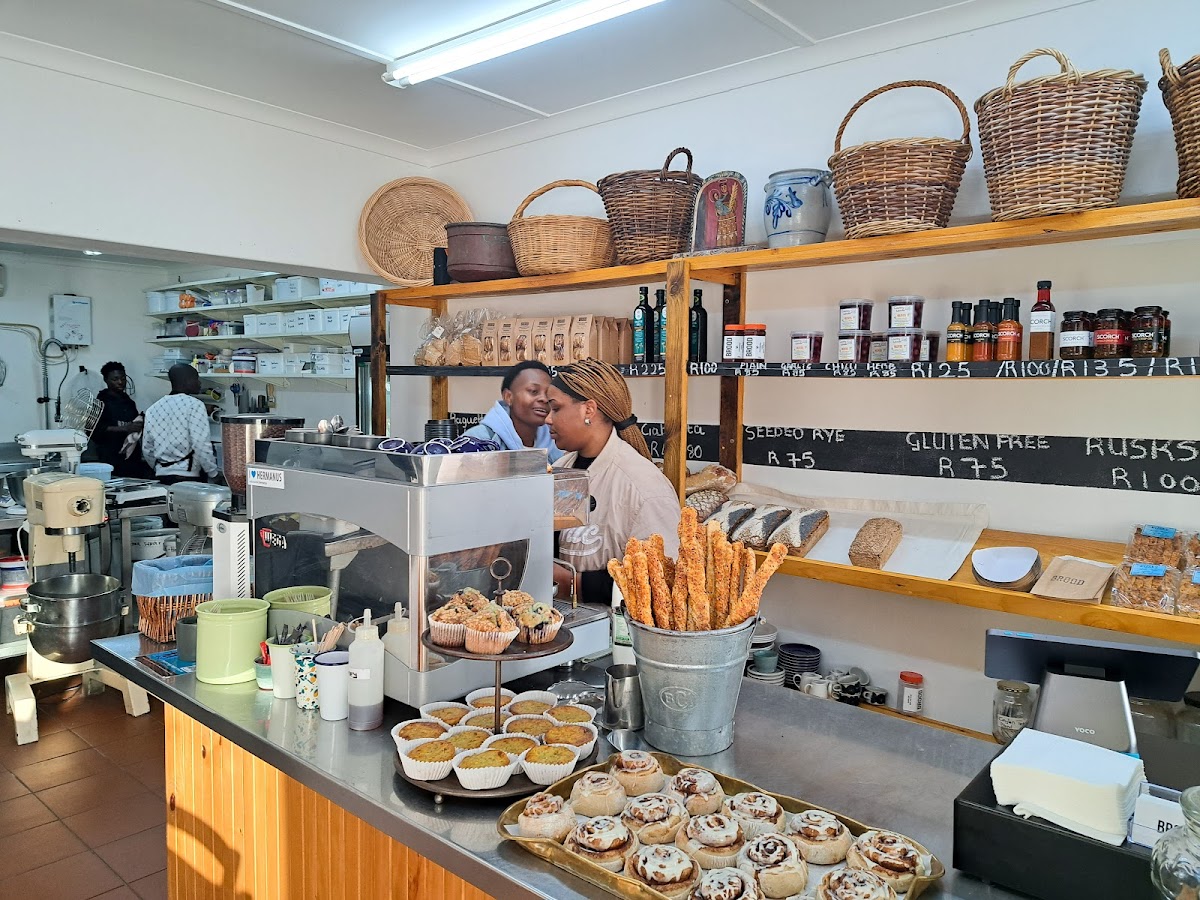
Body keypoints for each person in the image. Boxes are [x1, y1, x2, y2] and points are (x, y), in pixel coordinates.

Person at [546, 358, 681, 604]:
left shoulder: (644, 488)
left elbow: (661, 581)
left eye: (555, 409)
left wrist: (573, 584)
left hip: (618, 635)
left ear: (588, 409)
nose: (547, 419)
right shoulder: (559, 470)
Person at [464, 360, 564, 461]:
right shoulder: (476, 441)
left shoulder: (556, 445)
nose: (544, 399)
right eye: (534, 391)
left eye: (548, 393)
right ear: (508, 397)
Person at [141, 364, 219, 485]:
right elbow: (201, 444)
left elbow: (147, 448)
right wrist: (213, 473)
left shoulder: (153, 408)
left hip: (162, 476)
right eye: (196, 379)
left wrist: (160, 468)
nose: (199, 383)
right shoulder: (195, 405)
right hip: (189, 477)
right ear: (186, 381)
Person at [93, 361, 152, 478]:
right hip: (110, 458)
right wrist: (124, 428)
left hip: (131, 458)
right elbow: (93, 429)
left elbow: (134, 423)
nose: (120, 382)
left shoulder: (129, 402)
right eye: (115, 379)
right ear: (106, 380)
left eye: (123, 378)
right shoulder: (100, 402)